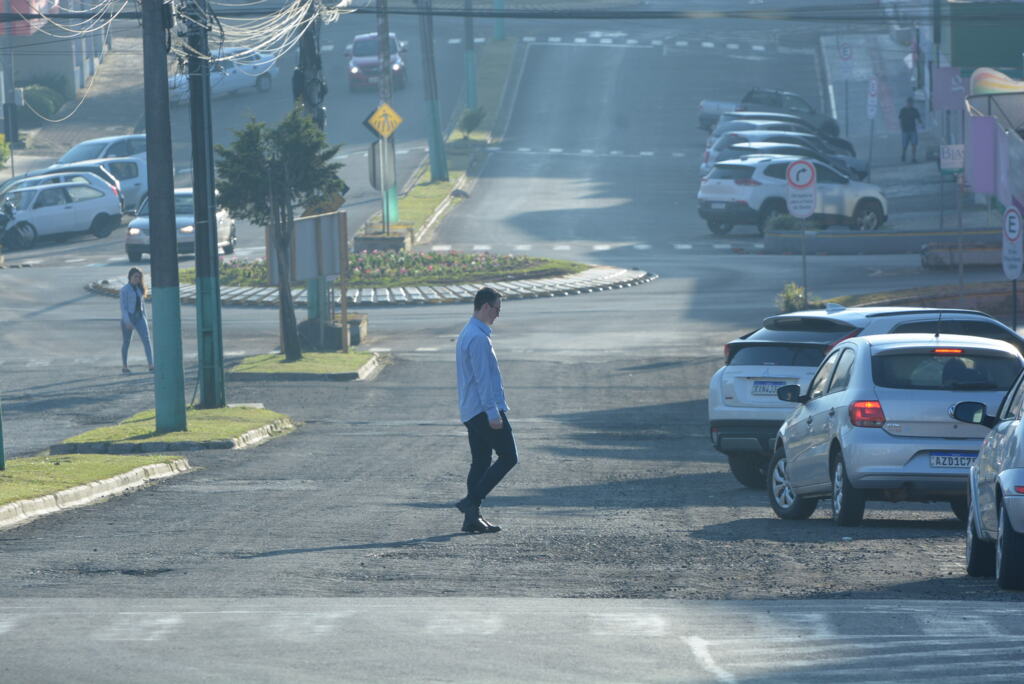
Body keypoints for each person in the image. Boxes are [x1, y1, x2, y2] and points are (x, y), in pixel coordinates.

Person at [454, 287, 518, 533]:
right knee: (509, 457)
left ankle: (472, 519)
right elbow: (483, 379)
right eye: (497, 309)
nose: (498, 315)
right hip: (483, 409)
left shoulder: (468, 331)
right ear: (485, 306)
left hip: (472, 409)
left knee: (480, 462)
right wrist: (494, 413)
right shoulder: (478, 338)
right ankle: (471, 503)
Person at [119, 267, 154, 374]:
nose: (137, 279)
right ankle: (125, 365)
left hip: (140, 317)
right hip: (128, 318)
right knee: (126, 342)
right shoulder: (124, 290)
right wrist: (127, 321)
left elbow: (142, 305)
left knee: (147, 340)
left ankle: (151, 364)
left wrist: (145, 319)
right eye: (135, 276)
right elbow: (123, 308)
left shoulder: (140, 289)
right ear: (130, 277)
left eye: (139, 277)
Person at [899, 97, 923, 163]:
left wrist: (921, 123)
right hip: (905, 130)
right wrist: (901, 127)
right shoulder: (903, 110)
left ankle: (913, 158)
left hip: (913, 130)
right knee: (904, 145)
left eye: (911, 103)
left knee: (914, 144)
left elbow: (918, 118)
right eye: (909, 103)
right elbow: (900, 119)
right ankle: (903, 155)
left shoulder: (915, 110)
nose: (910, 104)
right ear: (907, 103)